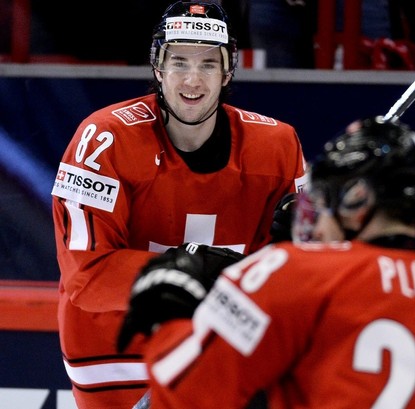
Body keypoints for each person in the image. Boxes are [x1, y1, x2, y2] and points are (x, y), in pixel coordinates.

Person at [118, 116, 415, 408]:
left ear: (357, 200)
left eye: (325, 199)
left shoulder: (292, 271)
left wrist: (169, 319)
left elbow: (187, 394)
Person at [50, 1, 307, 408]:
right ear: (157, 67)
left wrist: (304, 241)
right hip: (114, 348)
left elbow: (305, 270)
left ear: (227, 71)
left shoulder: (277, 145)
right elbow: (88, 276)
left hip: (220, 342)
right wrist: (208, 270)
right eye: (179, 61)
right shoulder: (103, 139)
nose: (192, 79)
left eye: (208, 64)